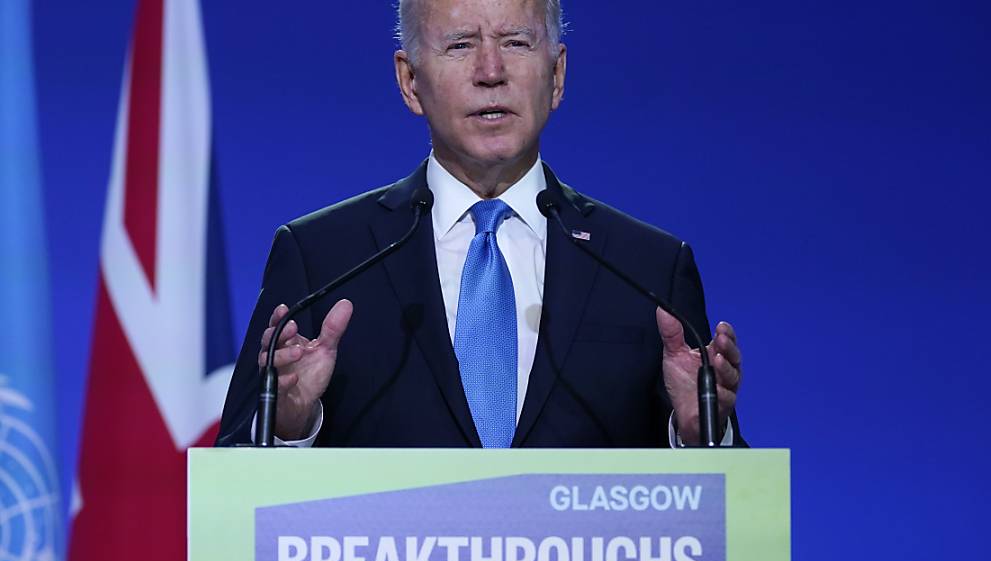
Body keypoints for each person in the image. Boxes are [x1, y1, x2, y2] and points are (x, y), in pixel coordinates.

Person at [216, 0, 745, 448]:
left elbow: (724, 517)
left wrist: (698, 435)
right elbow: (236, 479)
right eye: (461, 45)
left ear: (557, 76)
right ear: (409, 81)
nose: (491, 71)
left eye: (516, 42)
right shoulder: (324, 257)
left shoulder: (646, 265)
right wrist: (290, 424)